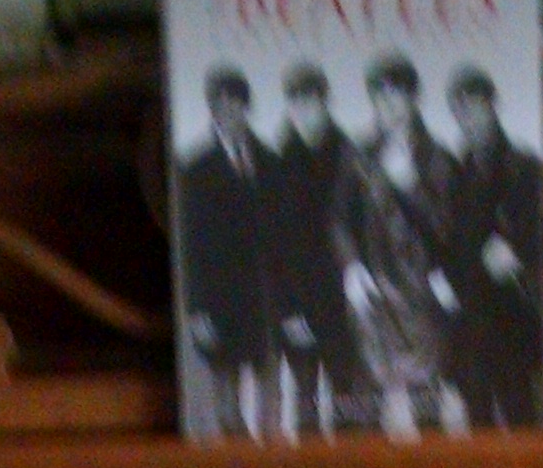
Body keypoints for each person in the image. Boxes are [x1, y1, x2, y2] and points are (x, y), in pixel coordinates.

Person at [337, 54, 460, 437]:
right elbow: (339, 218)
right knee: (369, 407)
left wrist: (408, 186)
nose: (388, 106)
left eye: (397, 96)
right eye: (380, 97)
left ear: (414, 99)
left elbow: (446, 231)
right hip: (373, 289)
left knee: (427, 402)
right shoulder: (358, 154)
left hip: (421, 292)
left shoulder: (438, 157)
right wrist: (352, 266)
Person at [438, 66, 543, 428]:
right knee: (477, 416)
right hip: (469, 316)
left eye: (475, 106)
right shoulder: (454, 170)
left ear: (493, 106)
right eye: (459, 109)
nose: (468, 118)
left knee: (520, 412)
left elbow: (539, 228)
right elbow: (449, 238)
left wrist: (514, 248)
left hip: (511, 312)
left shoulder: (525, 165)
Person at [176, 65, 275, 437]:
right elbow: (192, 246)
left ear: (247, 107)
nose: (230, 112)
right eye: (221, 104)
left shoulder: (269, 161)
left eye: (237, 103)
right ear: (211, 109)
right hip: (219, 300)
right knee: (226, 397)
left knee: (270, 395)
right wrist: (197, 308)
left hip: (263, 298)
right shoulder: (193, 169)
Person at [266, 61, 361, 434]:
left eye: (312, 99)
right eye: (296, 100)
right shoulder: (275, 162)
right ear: (288, 105)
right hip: (297, 302)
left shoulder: (351, 155)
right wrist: (288, 310)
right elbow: (272, 245)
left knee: (351, 407)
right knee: (305, 408)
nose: (305, 109)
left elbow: (364, 229)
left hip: (344, 302)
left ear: (326, 101)